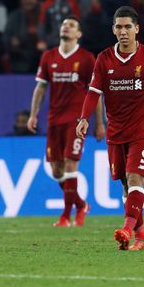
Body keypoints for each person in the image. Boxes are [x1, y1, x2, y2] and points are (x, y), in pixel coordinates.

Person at [77, 6, 144, 251]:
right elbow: (93, 92)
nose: (123, 31)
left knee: (135, 178)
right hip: (116, 131)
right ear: (113, 30)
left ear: (137, 29)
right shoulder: (104, 58)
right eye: (118, 27)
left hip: (143, 130)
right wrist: (84, 118)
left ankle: (127, 230)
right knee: (125, 185)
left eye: (128, 26)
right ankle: (141, 238)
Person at [28, 16, 104, 227]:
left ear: (78, 34)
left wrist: (99, 123)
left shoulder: (87, 58)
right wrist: (33, 114)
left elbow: (95, 92)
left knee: (71, 163)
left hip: (77, 120)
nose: (66, 27)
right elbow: (41, 88)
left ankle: (65, 215)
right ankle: (81, 205)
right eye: (63, 24)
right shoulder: (48, 56)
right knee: (56, 170)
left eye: (71, 25)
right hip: (54, 120)